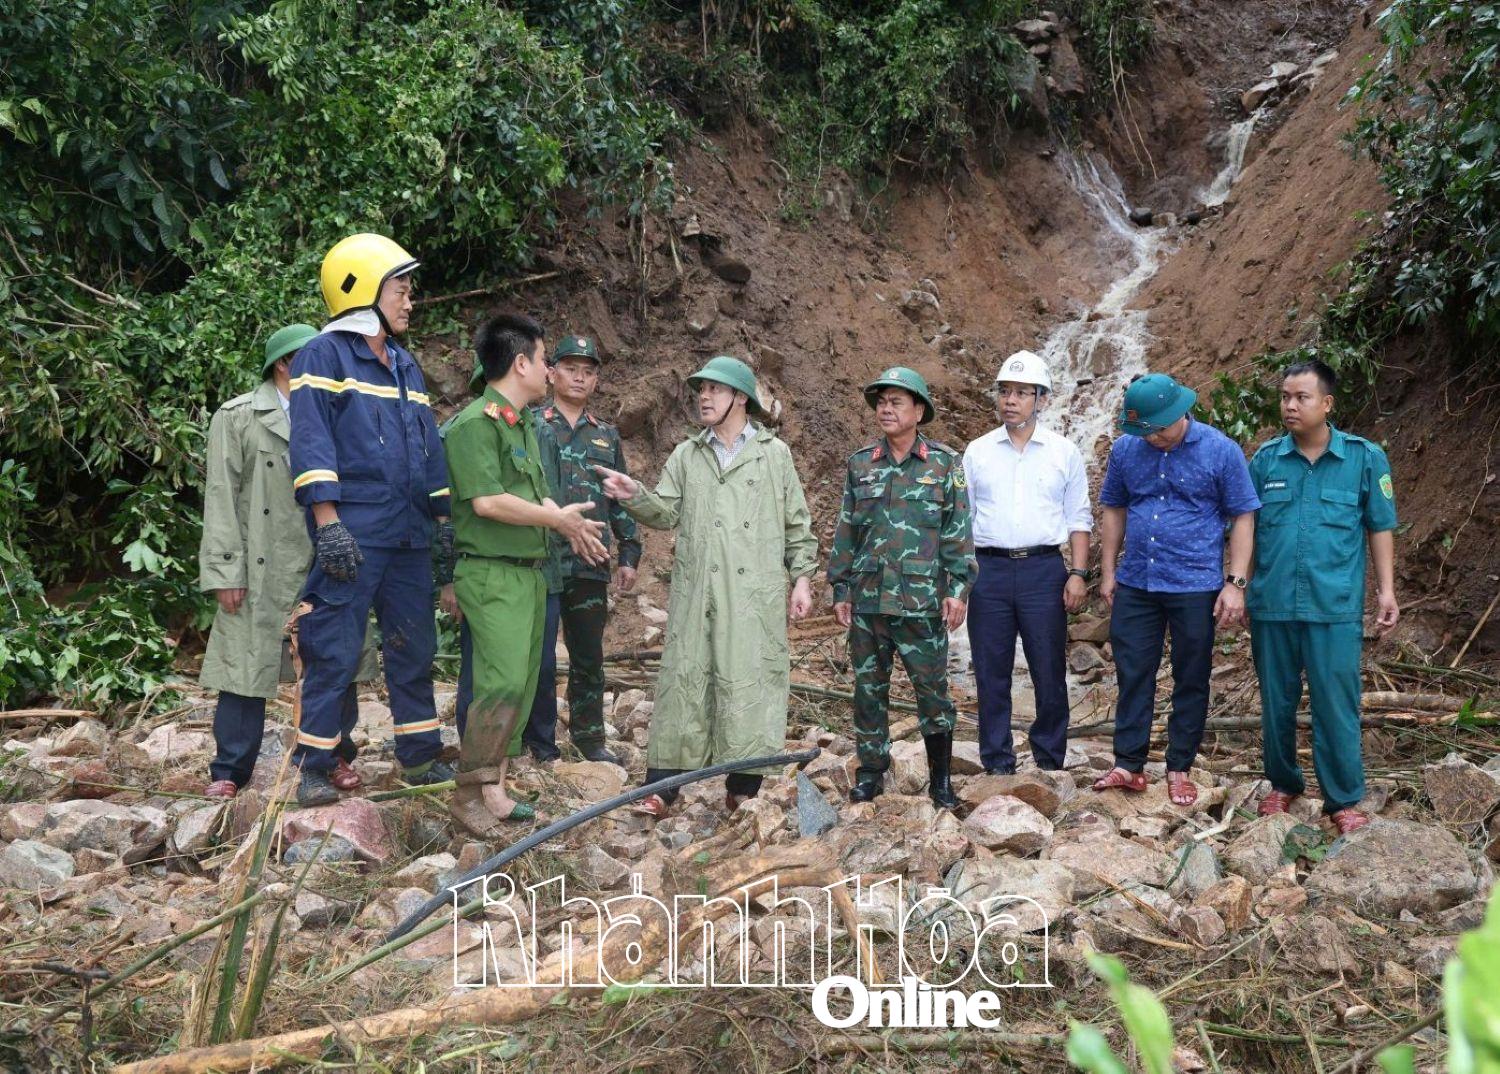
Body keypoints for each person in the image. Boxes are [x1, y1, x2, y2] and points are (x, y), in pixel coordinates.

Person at [596, 356, 817, 816]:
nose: (704, 396)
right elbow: (666, 512)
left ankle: (743, 788)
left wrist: (802, 579)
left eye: (715, 389)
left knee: (749, 681)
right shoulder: (687, 454)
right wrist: (634, 495)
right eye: (701, 389)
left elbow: (797, 524)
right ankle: (662, 789)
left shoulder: (774, 455)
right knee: (685, 680)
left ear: (740, 397)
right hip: (698, 591)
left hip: (752, 594)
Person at [287, 234, 454, 807]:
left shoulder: (405, 363)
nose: (410, 301)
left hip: (408, 531)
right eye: (400, 290)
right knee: (332, 646)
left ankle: (420, 756)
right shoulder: (322, 355)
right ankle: (314, 765)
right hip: (353, 531)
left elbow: (428, 446)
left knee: (414, 645)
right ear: (360, 290)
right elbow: (311, 440)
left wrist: (442, 517)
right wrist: (328, 522)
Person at [441, 313, 607, 836]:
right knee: (501, 684)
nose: (549, 369)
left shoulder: (522, 424)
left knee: (522, 682)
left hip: (528, 573)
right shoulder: (475, 424)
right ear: (520, 364)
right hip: (493, 574)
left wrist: (568, 522)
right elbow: (488, 501)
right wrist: (555, 520)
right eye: (543, 359)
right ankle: (468, 795)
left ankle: (495, 786)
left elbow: (536, 495)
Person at [199, 325, 368, 797]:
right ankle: (230, 770)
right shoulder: (239, 416)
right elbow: (220, 496)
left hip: (326, 553)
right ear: (283, 364)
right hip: (261, 561)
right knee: (244, 666)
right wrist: (225, 570)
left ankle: (333, 755)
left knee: (336, 659)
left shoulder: (341, 412)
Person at [1248, 359, 1399, 835]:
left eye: (1302, 397)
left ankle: (1343, 799)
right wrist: (1238, 587)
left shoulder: (1363, 458)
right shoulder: (1265, 461)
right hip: (1272, 603)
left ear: (1327, 403)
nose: (1290, 406)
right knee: (1277, 701)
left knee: (1336, 703)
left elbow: (1380, 526)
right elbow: (1246, 530)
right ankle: (1283, 783)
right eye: (1285, 397)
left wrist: (1387, 591)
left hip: (1334, 605)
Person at [1094, 372, 1260, 806]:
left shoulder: (1220, 450)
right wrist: (1108, 571)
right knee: (1133, 672)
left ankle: (1179, 767)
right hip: (1137, 581)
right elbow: (1114, 508)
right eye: (1144, 431)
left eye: (1159, 429)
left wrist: (1235, 583)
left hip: (1195, 584)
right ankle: (1128, 764)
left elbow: (1243, 516)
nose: (1152, 438)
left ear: (1180, 413)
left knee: (1191, 675)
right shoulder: (1126, 449)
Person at [826, 367, 974, 808]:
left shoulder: (944, 463)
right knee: (868, 690)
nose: (886, 409)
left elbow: (957, 532)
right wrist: (841, 588)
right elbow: (846, 530)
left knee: (933, 693)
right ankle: (871, 773)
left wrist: (958, 589)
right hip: (869, 599)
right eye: (881, 402)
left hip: (921, 601)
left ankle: (941, 781)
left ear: (919, 411)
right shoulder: (860, 464)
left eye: (896, 402)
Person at [961, 351, 1092, 776]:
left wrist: (1078, 573)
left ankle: (1049, 759)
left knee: (1048, 667)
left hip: (1043, 570)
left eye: (1021, 392)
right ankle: (997, 761)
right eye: (1004, 391)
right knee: (991, 670)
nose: (1011, 400)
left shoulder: (1063, 452)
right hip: (989, 570)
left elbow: (1079, 517)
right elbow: (962, 519)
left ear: (1042, 399)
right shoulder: (978, 452)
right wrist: (959, 581)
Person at [528, 334, 641, 764]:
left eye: (588, 371)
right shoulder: (533, 425)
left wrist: (629, 553)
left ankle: (590, 739)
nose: (579, 377)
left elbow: (619, 497)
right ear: (551, 373)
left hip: (590, 559)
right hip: (541, 558)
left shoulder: (606, 436)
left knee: (589, 656)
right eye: (570, 368)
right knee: (538, 657)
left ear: (596, 381)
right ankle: (538, 743)